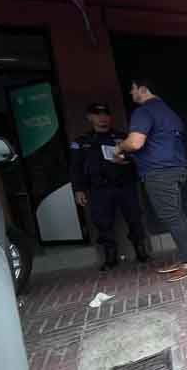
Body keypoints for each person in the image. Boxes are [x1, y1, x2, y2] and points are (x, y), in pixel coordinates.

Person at [114, 78, 187, 282]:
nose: (131, 93)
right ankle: (185, 257)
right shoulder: (169, 112)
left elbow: (135, 142)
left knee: (171, 216)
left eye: (132, 89)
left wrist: (119, 148)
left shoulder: (144, 111)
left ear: (143, 89)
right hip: (175, 169)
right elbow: (159, 144)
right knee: (176, 214)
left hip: (160, 173)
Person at [70, 103, 149, 271]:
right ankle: (110, 256)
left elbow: (137, 158)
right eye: (97, 115)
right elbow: (76, 168)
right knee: (102, 223)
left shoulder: (122, 137)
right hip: (99, 189)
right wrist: (78, 189)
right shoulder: (82, 142)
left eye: (105, 114)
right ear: (90, 118)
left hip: (125, 186)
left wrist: (128, 161)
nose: (102, 118)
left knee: (134, 218)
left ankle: (141, 251)